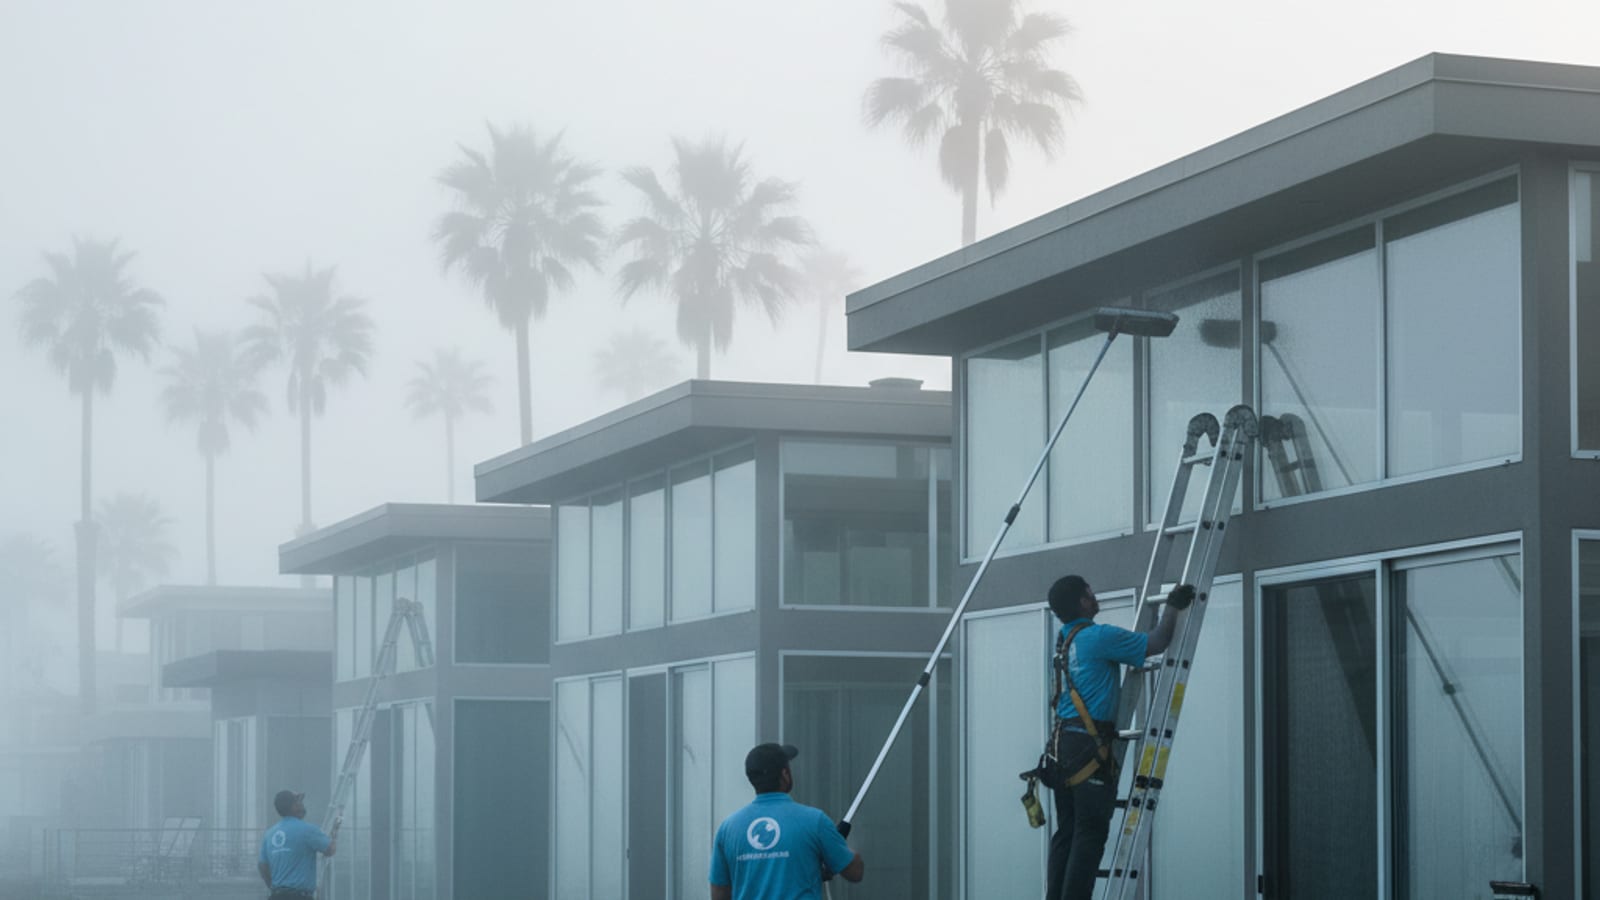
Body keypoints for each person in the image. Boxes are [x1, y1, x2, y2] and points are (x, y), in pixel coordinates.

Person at [1043, 575, 1193, 900]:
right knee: (1089, 834)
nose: (1094, 596)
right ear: (1083, 601)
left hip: (1061, 748)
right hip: (1088, 750)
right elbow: (1156, 643)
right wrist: (1173, 607)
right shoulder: (1099, 637)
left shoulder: (1064, 640)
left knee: (1067, 833)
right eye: (1090, 592)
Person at [709, 742, 864, 900]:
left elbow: (719, 893)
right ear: (785, 774)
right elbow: (855, 872)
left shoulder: (728, 829)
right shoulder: (815, 821)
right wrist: (835, 847)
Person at [258, 789, 338, 899]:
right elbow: (330, 850)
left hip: (276, 895)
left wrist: (273, 886)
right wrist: (334, 835)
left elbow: (262, 866)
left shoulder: (269, 834)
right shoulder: (308, 830)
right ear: (293, 806)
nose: (302, 804)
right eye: (299, 802)